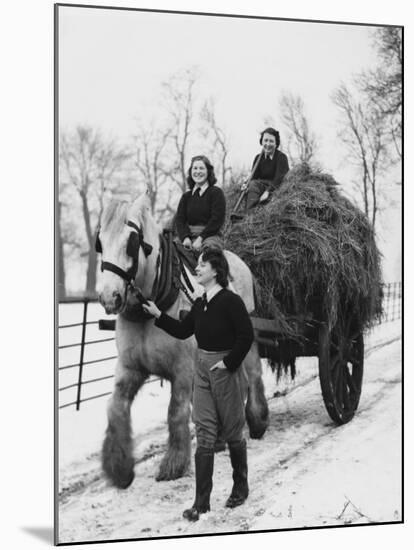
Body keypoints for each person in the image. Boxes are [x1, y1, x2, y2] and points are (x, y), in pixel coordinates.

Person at [143, 248, 253, 521]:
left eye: (203, 264)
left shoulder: (230, 302)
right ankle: (201, 502)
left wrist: (228, 363)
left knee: (232, 431)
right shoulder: (201, 304)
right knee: (204, 431)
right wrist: (158, 314)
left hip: (226, 370)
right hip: (202, 369)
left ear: (216, 270)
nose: (198, 267)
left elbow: (246, 335)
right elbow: (183, 331)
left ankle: (241, 486)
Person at [232, 127, 289, 221]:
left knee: (255, 185)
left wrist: (268, 192)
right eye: (265, 140)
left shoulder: (281, 157)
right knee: (252, 184)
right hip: (260, 187)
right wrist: (245, 185)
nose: (268, 144)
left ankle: (251, 215)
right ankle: (249, 214)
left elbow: (280, 178)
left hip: (276, 187)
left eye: (271, 141)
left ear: (276, 143)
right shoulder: (258, 158)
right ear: (261, 142)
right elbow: (253, 178)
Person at [175, 155, 226, 252]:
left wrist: (200, 239)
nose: (198, 172)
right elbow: (180, 220)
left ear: (208, 171)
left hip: (210, 237)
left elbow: (217, 220)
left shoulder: (216, 193)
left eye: (201, 168)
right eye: (195, 168)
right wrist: (185, 238)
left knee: (209, 255)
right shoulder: (186, 196)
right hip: (188, 237)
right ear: (191, 172)